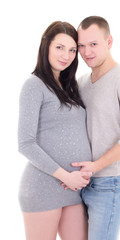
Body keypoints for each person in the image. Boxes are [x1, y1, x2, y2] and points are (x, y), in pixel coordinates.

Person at [71, 16, 120, 240]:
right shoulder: (82, 82)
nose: (87, 52)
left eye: (94, 44)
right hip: (82, 182)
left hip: (110, 185)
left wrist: (96, 166)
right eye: (81, 46)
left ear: (109, 42)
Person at [18, 21, 92, 240]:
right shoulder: (34, 85)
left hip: (74, 189)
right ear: (46, 46)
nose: (66, 55)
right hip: (43, 187)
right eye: (59, 47)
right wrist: (66, 176)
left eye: (71, 50)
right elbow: (25, 143)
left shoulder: (70, 88)